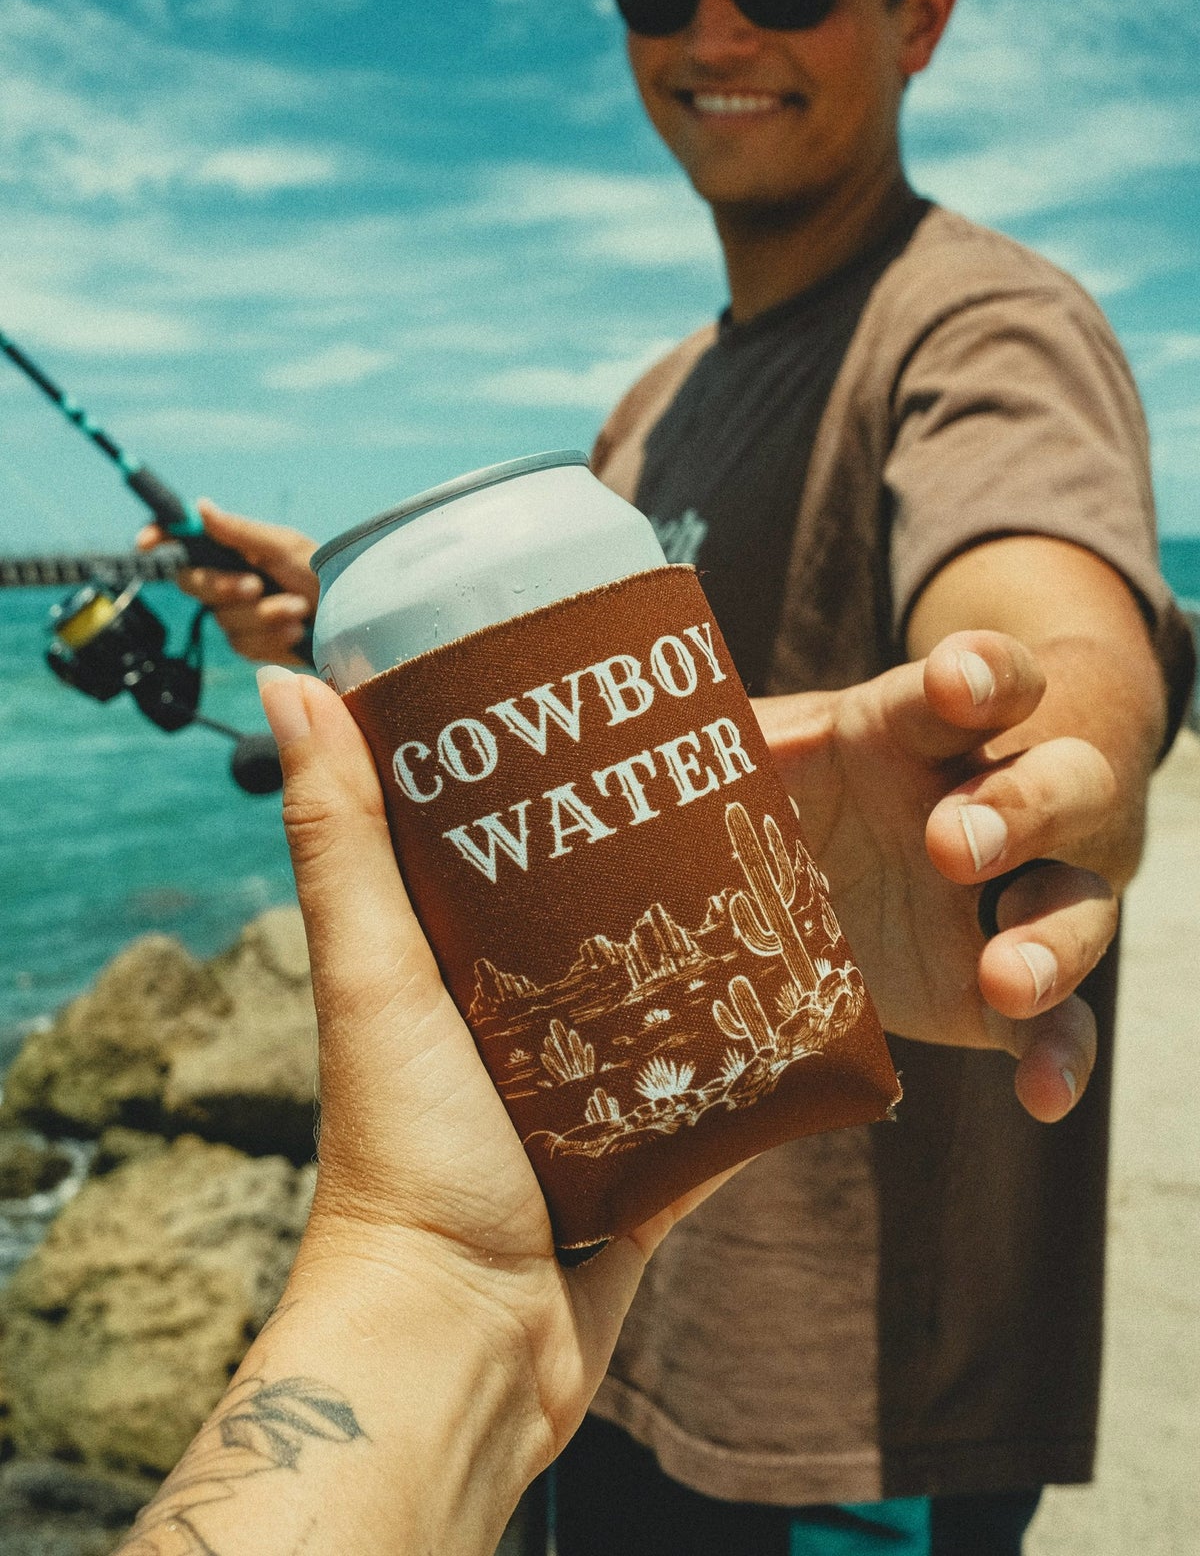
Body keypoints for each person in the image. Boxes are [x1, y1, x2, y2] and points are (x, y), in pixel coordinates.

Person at [140, 0, 1195, 1550]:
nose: (713, 22)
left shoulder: (982, 318)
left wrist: (1027, 752)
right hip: (615, 1331)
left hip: (849, 1407)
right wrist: (332, 610)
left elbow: (1050, 601)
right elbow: (603, 687)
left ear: (920, 10)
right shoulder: (656, 400)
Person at [116, 633, 1122, 1556]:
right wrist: (442, 1275)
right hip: (610, 1368)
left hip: (843, 1400)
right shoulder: (637, 437)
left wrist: (1022, 796)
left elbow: (1078, 648)